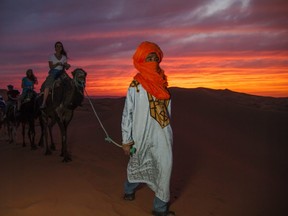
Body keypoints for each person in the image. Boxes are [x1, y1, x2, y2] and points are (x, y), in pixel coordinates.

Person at [121, 41, 175, 216]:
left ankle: (160, 208)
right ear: (142, 61)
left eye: (155, 58)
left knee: (165, 167)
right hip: (140, 134)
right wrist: (126, 140)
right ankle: (129, 190)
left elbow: (168, 113)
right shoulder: (135, 86)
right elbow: (127, 113)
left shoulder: (163, 85)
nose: (152, 61)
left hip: (162, 135)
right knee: (138, 163)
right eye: (148, 58)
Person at [40, 41, 71, 109]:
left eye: (60, 46)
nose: (59, 47)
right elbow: (51, 67)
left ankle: (68, 101)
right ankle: (44, 102)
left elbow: (66, 67)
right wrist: (57, 64)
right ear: (55, 48)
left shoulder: (64, 57)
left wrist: (67, 66)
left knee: (70, 83)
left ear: (61, 48)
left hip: (62, 72)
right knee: (47, 85)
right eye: (57, 46)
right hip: (53, 72)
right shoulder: (51, 57)